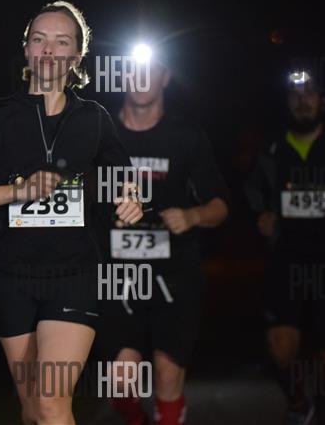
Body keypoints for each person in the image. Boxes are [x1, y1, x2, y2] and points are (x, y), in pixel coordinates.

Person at [0, 0, 143, 425]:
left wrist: (131, 197)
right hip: (10, 276)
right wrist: (16, 192)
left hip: (75, 275)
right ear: (27, 50)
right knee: (33, 408)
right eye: (40, 40)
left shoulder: (94, 118)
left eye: (61, 42)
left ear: (77, 55)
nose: (49, 50)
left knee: (53, 403)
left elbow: (124, 178)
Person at [96, 43, 229, 425]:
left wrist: (193, 215)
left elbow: (221, 205)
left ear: (166, 78)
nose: (141, 78)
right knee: (121, 379)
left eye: (150, 70)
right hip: (116, 277)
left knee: (167, 373)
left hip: (176, 275)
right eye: (132, 69)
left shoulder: (186, 135)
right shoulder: (98, 134)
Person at [244, 69, 325, 425]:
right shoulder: (271, 150)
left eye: (310, 94)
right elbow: (251, 191)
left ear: (323, 102)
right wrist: (260, 215)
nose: (303, 101)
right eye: (295, 95)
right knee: (279, 347)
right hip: (285, 261)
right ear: (287, 102)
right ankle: (299, 402)